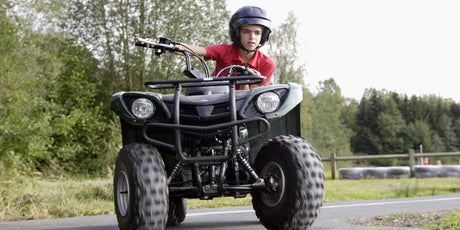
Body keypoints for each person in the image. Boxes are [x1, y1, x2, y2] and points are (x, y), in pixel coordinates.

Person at [177, 6, 275, 90]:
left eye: (257, 33)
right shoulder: (226, 50)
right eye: (246, 31)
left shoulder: (267, 64)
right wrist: (168, 46)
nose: (252, 37)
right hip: (214, 98)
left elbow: (251, 98)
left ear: (263, 36)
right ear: (237, 34)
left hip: (241, 106)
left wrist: (244, 82)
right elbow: (193, 50)